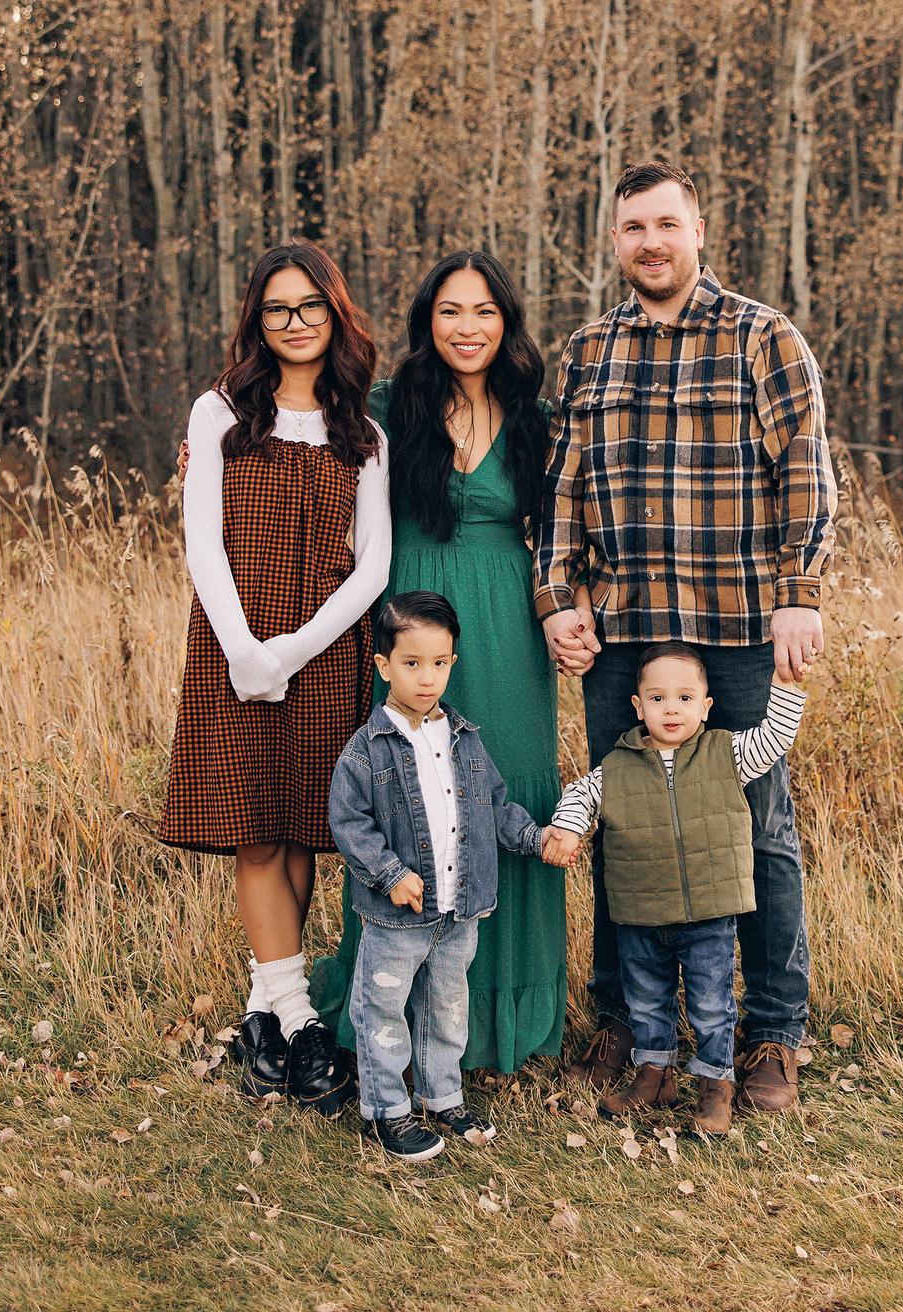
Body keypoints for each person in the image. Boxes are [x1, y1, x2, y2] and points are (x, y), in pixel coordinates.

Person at [535, 160, 837, 1114]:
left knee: (759, 829)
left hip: (738, 625)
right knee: (621, 827)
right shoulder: (588, 351)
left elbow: (805, 470)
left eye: (667, 224)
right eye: (634, 227)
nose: (651, 242)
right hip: (622, 634)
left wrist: (799, 593)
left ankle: (771, 1032)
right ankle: (630, 1024)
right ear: (614, 240)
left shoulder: (761, 336)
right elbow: (560, 490)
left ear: (697, 231)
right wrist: (556, 599)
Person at [312, 252, 574, 1073]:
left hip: (506, 626)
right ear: (427, 320)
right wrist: (206, 455)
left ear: (507, 322)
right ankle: (388, 1018)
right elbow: (294, 442)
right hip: (408, 618)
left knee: (508, 787)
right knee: (402, 794)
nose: (468, 328)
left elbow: (583, 513)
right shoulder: (388, 408)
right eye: (451, 311)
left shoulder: (535, 417)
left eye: (484, 311)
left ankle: (502, 1017)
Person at [157, 242, 390, 1118]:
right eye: (277, 309)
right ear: (257, 320)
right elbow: (202, 541)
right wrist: (246, 651)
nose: (294, 323)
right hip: (232, 646)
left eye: (309, 307)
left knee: (299, 830)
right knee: (254, 829)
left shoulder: (362, 431)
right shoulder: (219, 411)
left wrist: (289, 652)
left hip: (324, 649)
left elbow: (372, 567)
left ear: (335, 313)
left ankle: (267, 1018)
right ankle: (298, 1021)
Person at [328, 591, 573, 1160]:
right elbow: (349, 822)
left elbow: (494, 807)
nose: (427, 677)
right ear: (383, 665)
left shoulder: (462, 737)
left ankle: (443, 1097)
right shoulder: (367, 751)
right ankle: (386, 1111)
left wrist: (536, 839)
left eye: (439, 663)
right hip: (398, 915)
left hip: (459, 909)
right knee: (383, 1009)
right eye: (412, 663)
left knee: (446, 1007)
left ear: (453, 663)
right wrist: (390, 873)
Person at [545, 645, 807, 1137]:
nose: (671, 709)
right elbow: (582, 794)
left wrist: (786, 687)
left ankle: (715, 1087)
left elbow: (775, 737)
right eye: (658, 698)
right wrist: (567, 828)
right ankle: (654, 1075)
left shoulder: (727, 754)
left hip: (708, 914)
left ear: (706, 707)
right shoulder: (618, 766)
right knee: (646, 1000)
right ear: (638, 705)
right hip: (642, 913)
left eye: (685, 698)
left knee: (711, 1004)